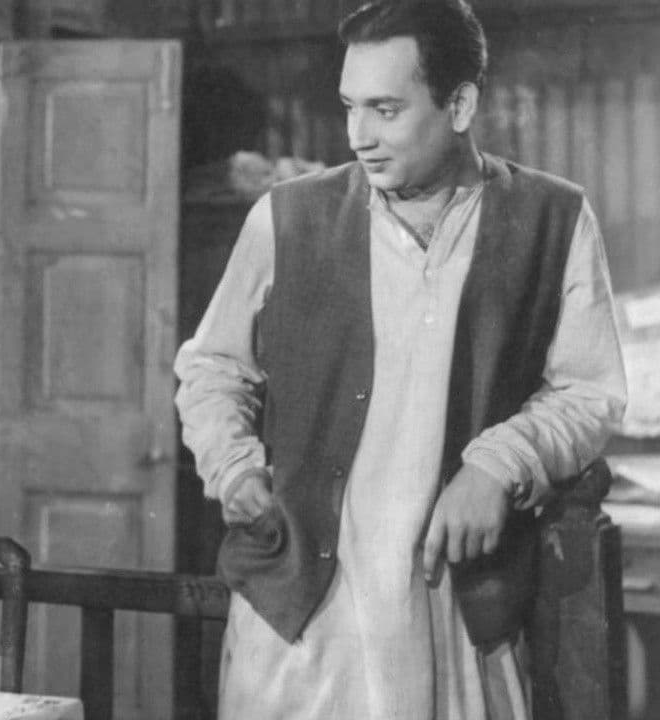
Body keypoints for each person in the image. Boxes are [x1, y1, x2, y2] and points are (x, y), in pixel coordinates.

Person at [173, 1, 627, 718]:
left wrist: (499, 464)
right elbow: (212, 367)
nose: (360, 136)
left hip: (458, 616)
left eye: (385, 109)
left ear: (460, 105)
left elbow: (590, 391)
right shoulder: (285, 218)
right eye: (350, 107)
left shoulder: (554, 218)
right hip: (301, 621)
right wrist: (230, 463)